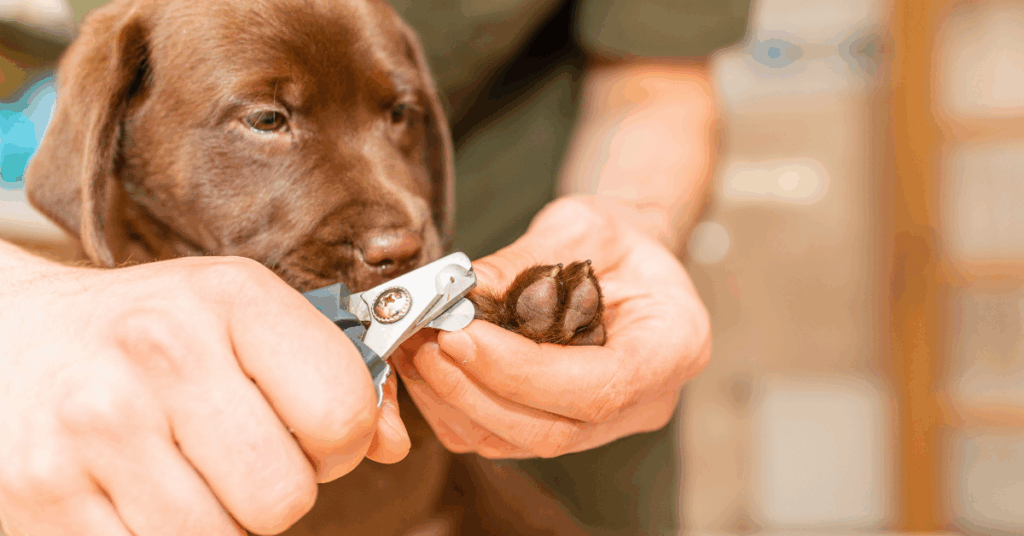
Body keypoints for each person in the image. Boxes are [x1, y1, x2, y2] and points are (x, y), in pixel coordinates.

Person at [0, 0, 750, 534]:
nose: (394, 226)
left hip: (503, 337)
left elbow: (655, 79)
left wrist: (627, 226)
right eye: (269, 118)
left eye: (397, 117)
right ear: (107, 136)